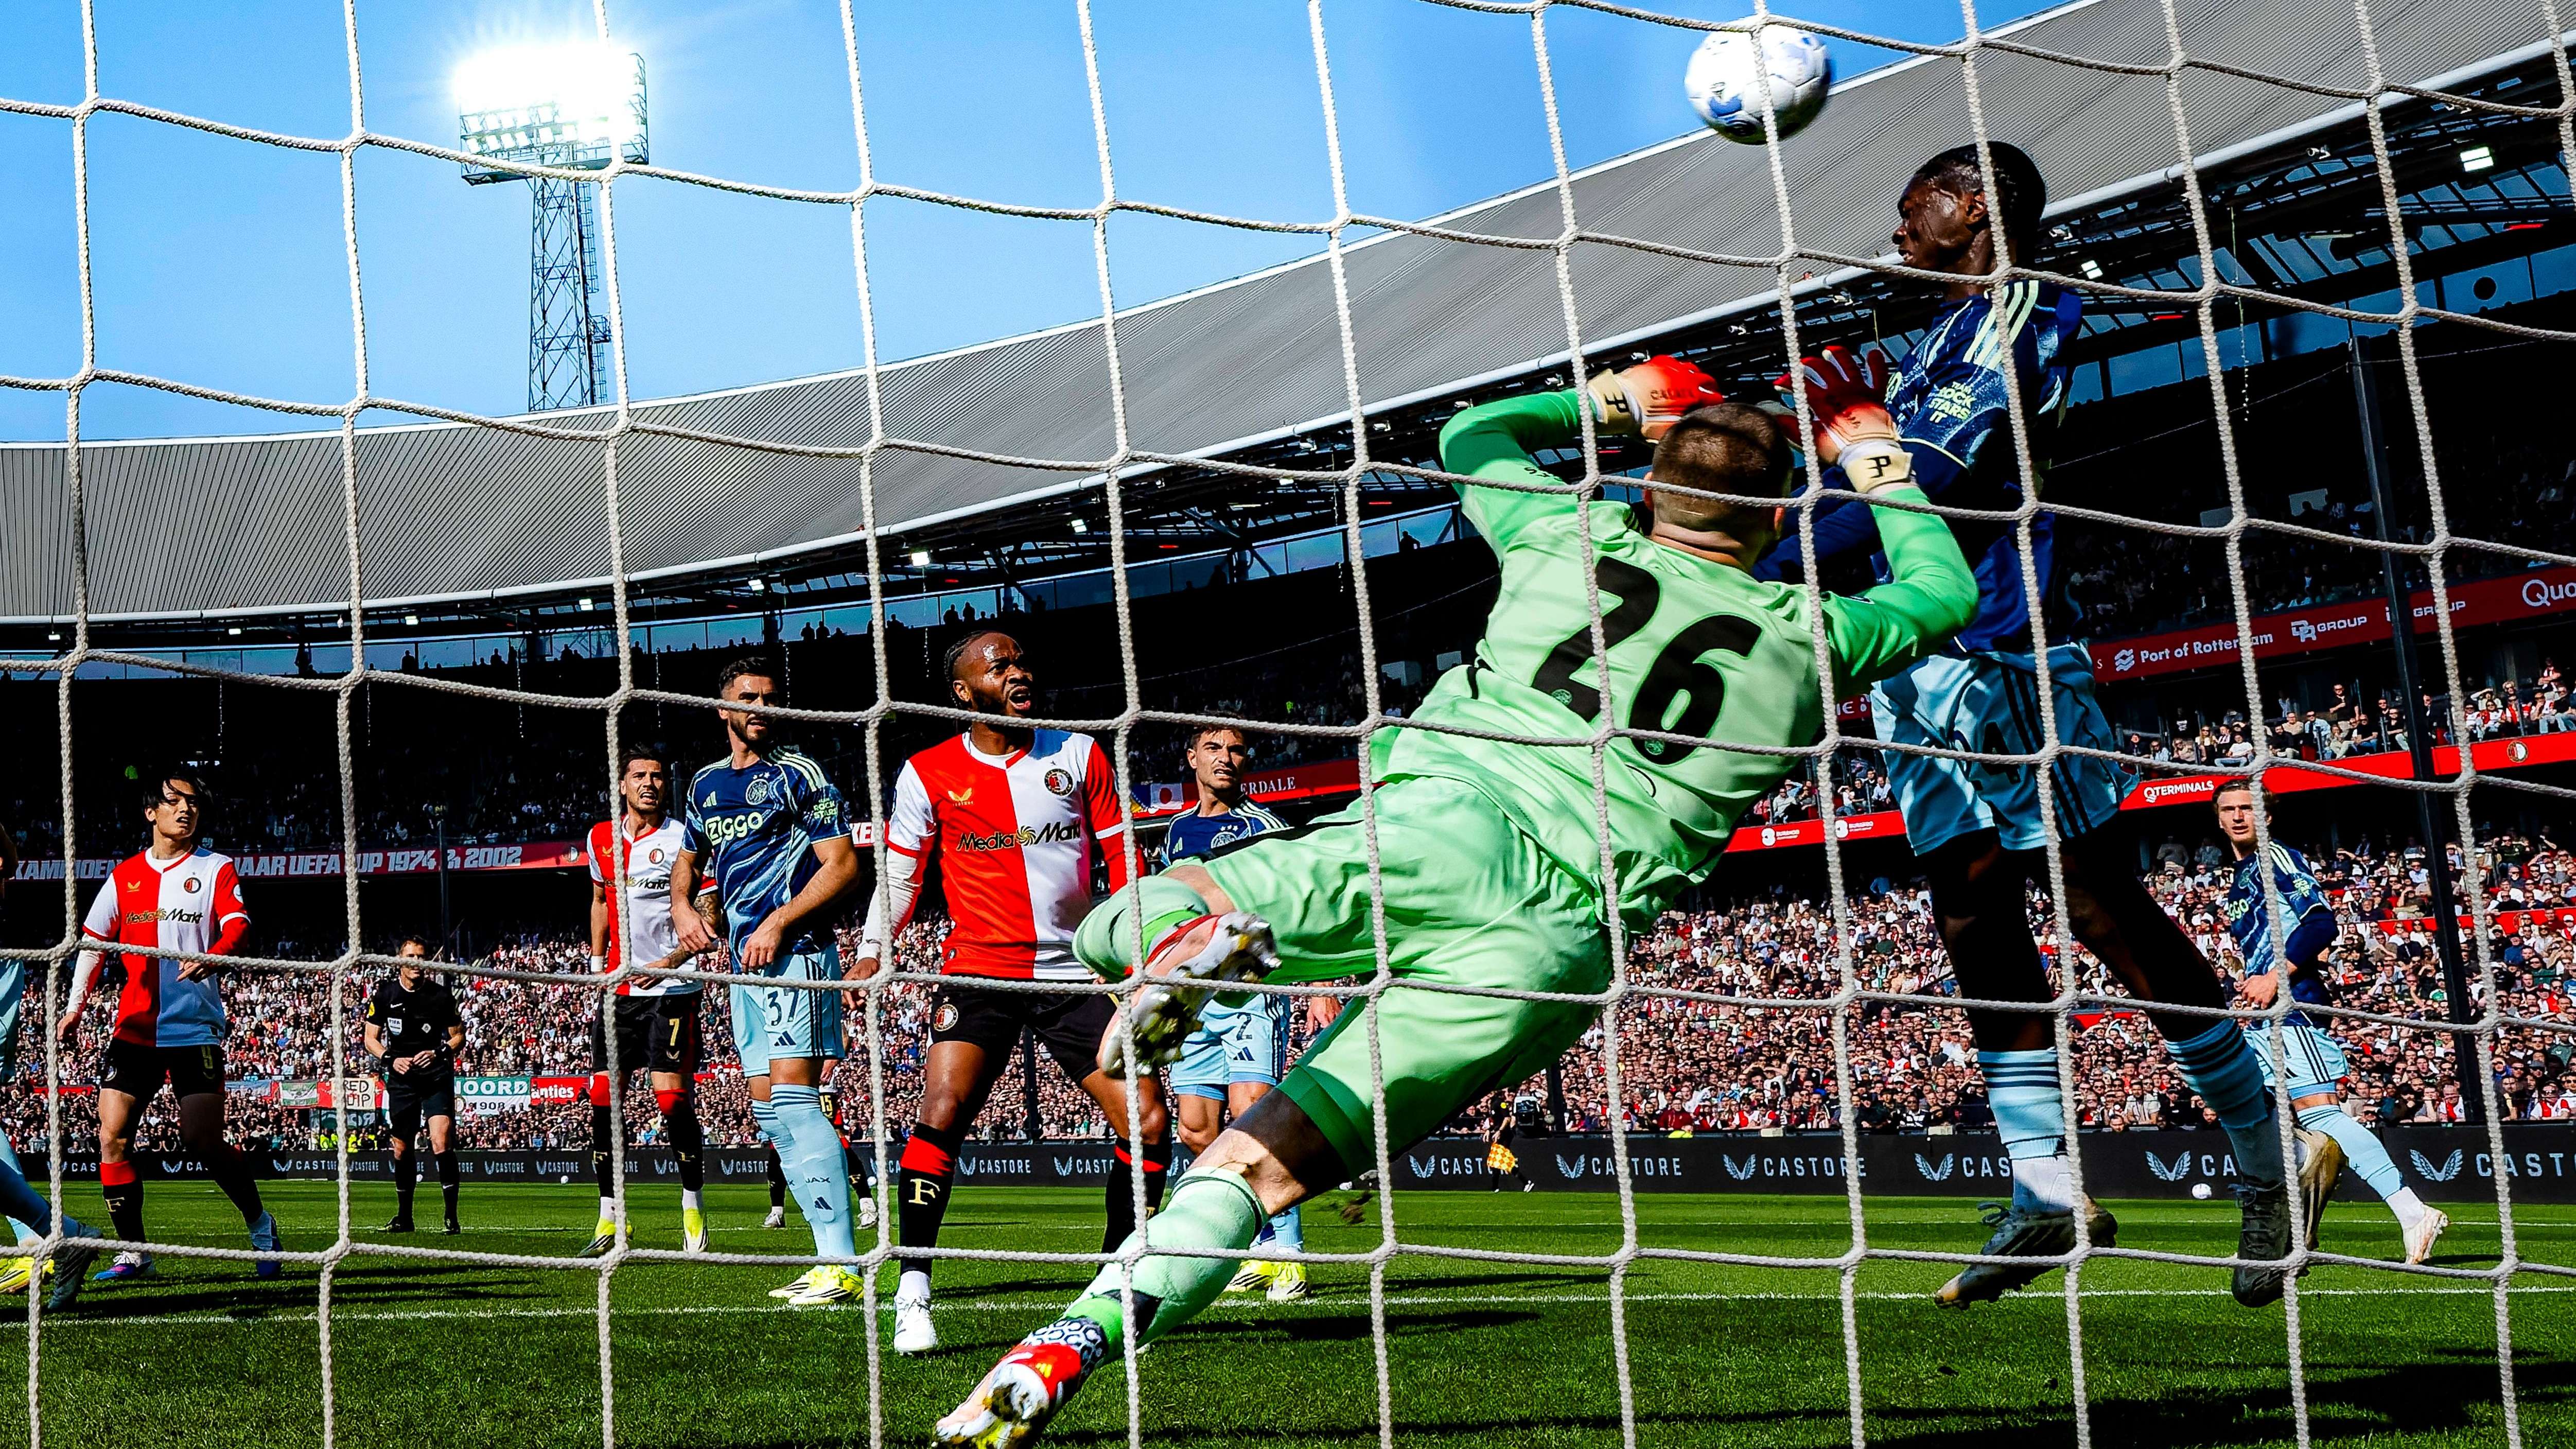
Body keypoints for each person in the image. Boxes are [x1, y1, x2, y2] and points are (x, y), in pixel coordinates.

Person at [933, 350, 1977, 1445]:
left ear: (1649, 484)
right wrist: (1873, 452)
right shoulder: (1814, 638)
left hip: (1438, 829)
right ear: (1775, 520)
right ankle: (1066, 1348)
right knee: (1254, 1170)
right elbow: (1944, 592)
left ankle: (1197, 945)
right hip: (1551, 946)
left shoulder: (1569, 536)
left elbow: (1470, 436)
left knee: (1122, 921)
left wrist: (1608, 404)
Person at [1754, 143, 2299, 1311]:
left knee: (2100, 908)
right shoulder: (1929, 345)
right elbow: (1874, 480)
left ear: (1971, 210)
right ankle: (2046, 1191)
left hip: (2004, 655)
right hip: (1910, 663)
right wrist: (1825, 453)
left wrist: (1765, 554)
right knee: (1967, 908)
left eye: (1915, 208)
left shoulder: (2021, 312)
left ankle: (2266, 1161)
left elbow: (1930, 478)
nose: (1898, 230)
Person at [853, 630, 1169, 1356]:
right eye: (999, 666)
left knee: (1148, 1120)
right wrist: (873, 949)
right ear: (964, 691)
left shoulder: (1079, 753)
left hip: (1073, 972)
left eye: (1022, 660)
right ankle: (913, 1290)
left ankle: (1111, 1288)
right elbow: (900, 875)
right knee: (941, 1109)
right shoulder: (927, 772)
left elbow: (1122, 857)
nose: (1018, 672)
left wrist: (1137, 949)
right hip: (979, 972)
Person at [670, 659, 862, 1306]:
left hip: (796, 955)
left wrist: (779, 921)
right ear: (723, 709)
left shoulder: (799, 773)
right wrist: (683, 906)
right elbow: (689, 860)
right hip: (742, 967)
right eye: (748, 697)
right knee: (769, 1113)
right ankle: (824, 1257)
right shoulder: (704, 784)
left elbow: (842, 864)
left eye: (771, 698)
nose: (761, 707)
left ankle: (841, 1263)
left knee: (796, 1100)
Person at [62, 770, 283, 1284]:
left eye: (194, 802)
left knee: (202, 1140)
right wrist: (76, 1006)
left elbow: (238, 925)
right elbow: (93, 944)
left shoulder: (214, 867)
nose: (186, 809)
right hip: (135, 1029)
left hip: (194, 1028)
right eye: (174, 800)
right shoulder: (124, 876)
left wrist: (215, 953)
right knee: (112, 1137)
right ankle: (135, 1254)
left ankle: (261, 1226)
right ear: (151, 812)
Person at [2216, 782, 2448, 1265]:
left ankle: (2412, 1211)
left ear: (2266, 816)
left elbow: (2321, 923)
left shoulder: (2276, 857)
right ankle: (2293, 1230)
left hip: (2293, 1007)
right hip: (2262, 1014)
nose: (2238, 816)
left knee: (2320, 1115)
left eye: (2247, 808)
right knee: (2259, 1118)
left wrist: (2274, 978)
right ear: (2218, 818)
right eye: (2228, 809)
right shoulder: (2238, 875)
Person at [1159, 726, 1303, 1302]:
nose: (1226, 758)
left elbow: (1293, 899)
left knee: (1251, 1112)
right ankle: (1258, 1244)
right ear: (1191, 757)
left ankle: (1288, 1254)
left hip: (1250, 988)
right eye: (1214, 748)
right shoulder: (1175, 831)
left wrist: (1313, 981)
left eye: (1237, 749)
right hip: (1195, 994)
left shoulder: (1263, 824)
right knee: (1196, 1130)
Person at [583, 744, 715, 1256]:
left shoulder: (685, 836)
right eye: (639, 775)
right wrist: (597, 965)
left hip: (672, 989)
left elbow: (710, 910)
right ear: (623, 784)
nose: (649, 784)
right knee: (601, 1097)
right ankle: (611, 1216)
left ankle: (692, 1204)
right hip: (618, 989)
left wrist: (670, 960)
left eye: (657, 776)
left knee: (671, 1100)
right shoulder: (600, 837)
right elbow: (599, 900)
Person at [363, 936, 465, 1234]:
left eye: (422, 957)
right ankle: (404, 1218)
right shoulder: (385, 995)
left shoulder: (441, 996)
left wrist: (438, 1052)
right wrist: (390, 1059)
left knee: (440, 1141)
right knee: (402, 1147)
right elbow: (370, 1039)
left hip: (435, 1076)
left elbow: (458, 1037)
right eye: (411, 957)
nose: (417, 963)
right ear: (400, 961)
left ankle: (451, 1217)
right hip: (402, 1080)